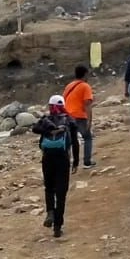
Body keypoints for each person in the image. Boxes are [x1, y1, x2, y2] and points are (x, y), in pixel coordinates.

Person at [31, 95, 80, 238]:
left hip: (47, 157)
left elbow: (35, 129)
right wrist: (76, 161)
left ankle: (50, 212)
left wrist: (48, 131)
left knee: (49, 188)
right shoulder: (69, 120)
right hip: (63, 158)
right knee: (61, 192)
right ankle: (57, 227)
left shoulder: (46, 120)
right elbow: (75, 142)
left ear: (50, 106)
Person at [63, 65, 96, 168]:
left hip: (67, 116)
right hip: (79, 116)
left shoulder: (69, 86)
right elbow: (87, 104)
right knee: (87, 137)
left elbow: (64, 100)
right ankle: (87, 162)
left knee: (68, 141)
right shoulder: (85, 86)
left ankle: (66, 163)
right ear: (85, 74)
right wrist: (89, 121)